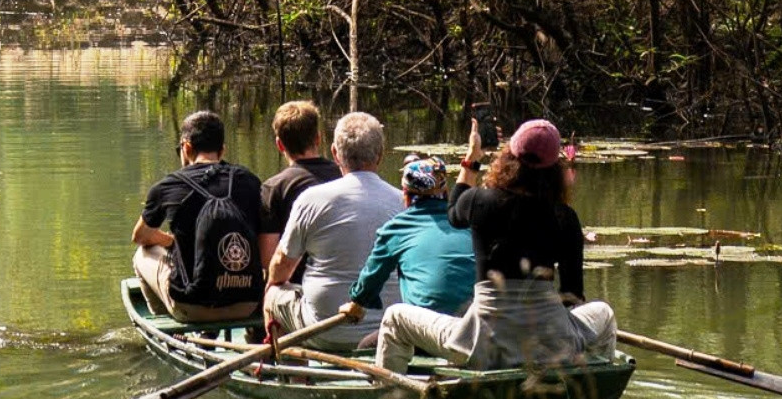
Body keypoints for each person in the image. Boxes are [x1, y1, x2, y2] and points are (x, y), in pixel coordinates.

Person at [360, 117, 616, 374]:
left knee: (395, 317)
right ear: (554, 169)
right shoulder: (566, 217)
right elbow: (572, 295)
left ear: (510, 157)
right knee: (603, 313)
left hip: (482, 343)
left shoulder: (479, 202)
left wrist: (473, 156)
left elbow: (454, 211)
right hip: (550, 343)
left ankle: (389, 390)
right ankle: (585, 384)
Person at [263, 111, 403, 350]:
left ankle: (294, 377)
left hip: (324, 331)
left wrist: (271, 285)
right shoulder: (403, 202)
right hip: (385, 332)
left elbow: (282, 266)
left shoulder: (311, 199)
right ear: (380, 155)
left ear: (336, 154)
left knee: (274, 293)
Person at [131, 110, 264, 323]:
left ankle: (169, 325)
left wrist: (171, 242)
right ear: (222, 150)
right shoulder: (250, 181)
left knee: (142, 254)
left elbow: (140, 236)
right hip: (247, 304)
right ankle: (253, 335)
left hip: (192, 308)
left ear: (186, 147)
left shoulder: (167, 186)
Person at [341, 156, 476, 330]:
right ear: (445, 191)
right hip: (474, 325)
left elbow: (371, 280)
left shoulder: (396, 229)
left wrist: (357, 302)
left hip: (429, 332)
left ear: (405, 194)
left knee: (366, 344)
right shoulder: (468, 222)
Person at [258, 100, 342, 272]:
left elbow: (268, 259)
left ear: (279, 144)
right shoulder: (344, 176)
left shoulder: (273, 188)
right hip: (344, 278)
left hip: (294, 285)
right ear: (318, 138)